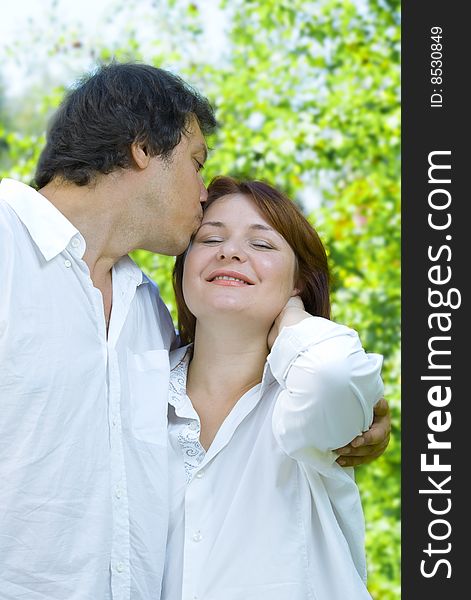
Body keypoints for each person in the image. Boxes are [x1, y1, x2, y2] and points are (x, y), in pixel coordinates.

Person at [0, 61, 390, 599]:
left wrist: (355, 394)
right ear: (142, 149)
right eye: (195, 164)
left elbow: (320, 382)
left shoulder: (144, 312)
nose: (202, 192)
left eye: (260, 243)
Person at [162, 176, 385, 600]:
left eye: (262, 245)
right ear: (184, 266)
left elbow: (334, 374)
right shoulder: (138, 391)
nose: (230, 252)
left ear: (299, 281)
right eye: (210, 239)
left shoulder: (302, 400)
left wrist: (293, 321)